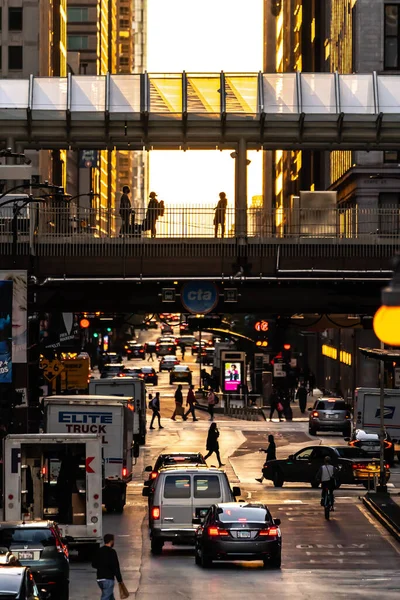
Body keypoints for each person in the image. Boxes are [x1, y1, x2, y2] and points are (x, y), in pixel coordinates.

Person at [92, 533, 124, 600]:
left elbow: (93, 564)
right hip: (108, 579)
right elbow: (116, 567)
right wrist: (120, 580)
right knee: (106, 597)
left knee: (110, 597)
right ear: (111, 541)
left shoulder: (99, 551)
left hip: (99, 579)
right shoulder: (112, 552)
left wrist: (101, 566)